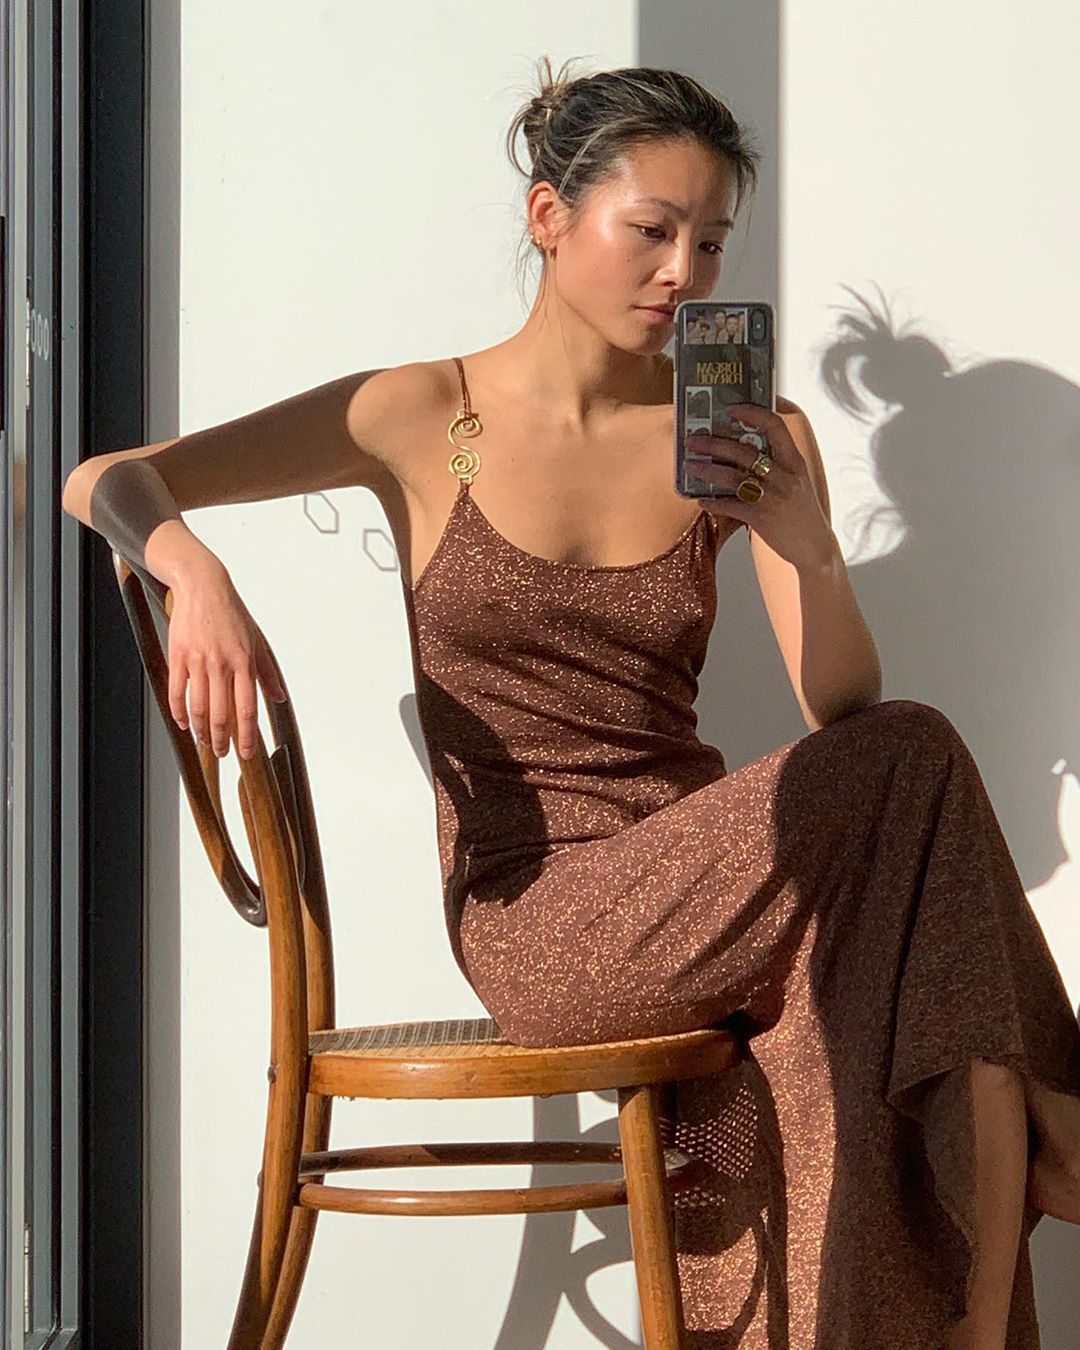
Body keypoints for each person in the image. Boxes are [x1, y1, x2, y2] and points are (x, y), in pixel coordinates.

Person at [62, 54, 1080, 1350]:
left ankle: (981, 1317)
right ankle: (1057, 1131)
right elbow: (108, 479)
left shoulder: (744, 430)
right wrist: (192, 570)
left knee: (906, 865)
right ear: (549, 216)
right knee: (916, 777)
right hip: (537, 916)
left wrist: (806, 542)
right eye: (651, 230)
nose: (684, 272)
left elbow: (844, 708)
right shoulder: (423, 414)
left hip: (709, 891)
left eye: (711, 241)